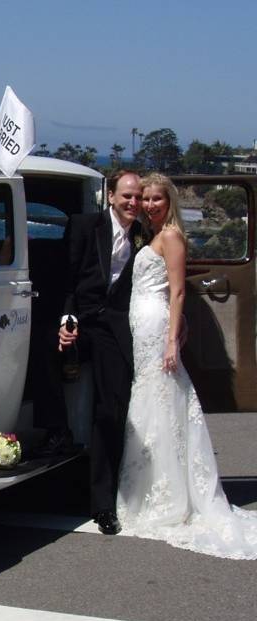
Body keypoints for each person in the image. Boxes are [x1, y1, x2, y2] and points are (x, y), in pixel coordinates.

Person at [117, 173, 257, 558]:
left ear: (169, 201)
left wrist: (171, 339)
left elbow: (178, 291)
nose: (149, 205)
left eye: (156, 199)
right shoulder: (151, 235)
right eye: (144, 199)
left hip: (157, 328)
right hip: (143, 327)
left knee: (162, 402)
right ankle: (151, 486)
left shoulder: (173, 236)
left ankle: (168, 495)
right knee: (149, 401)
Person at [58, 169, 143, 535]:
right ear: (110, 196)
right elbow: (65, 278)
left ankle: (103, 504)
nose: (133, 203)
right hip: (78, 318)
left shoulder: (145, 235)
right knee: (49, 363)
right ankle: (52, 445)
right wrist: (65, 320)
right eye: (127, 196)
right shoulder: (83, 226)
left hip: (113, 328)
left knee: (111, 409)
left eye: (138, 197)